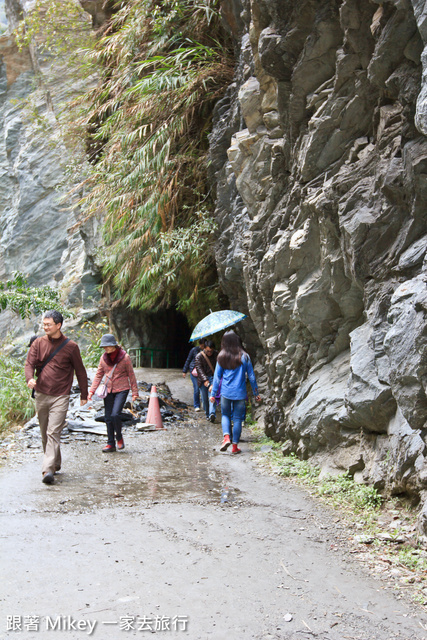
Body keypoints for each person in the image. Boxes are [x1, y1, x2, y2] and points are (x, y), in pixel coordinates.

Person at [25, 310, 88, 485]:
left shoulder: (71, 347)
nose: (45, 327)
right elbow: (29, 363)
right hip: (42, 394)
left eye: (48, 324)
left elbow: (81, 371)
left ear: (58, 325)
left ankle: (47, 469)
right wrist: (30, 378)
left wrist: (84, 394)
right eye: (43, 324)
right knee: (45, 432)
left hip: (61, 395)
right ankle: (55, 463)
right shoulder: (37, 343)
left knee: (53, 431)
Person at [210, 330, 261, 454]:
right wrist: (256, 393)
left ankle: (226, 437)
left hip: (225, 393)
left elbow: (217, 378)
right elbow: (252, 376)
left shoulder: (221, 356)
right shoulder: (245, 356)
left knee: (225, 415)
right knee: (237, 419)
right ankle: (234, 447)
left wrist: (213, 394)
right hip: (240, 393)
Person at [88, 334, 139, 452]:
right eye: (104, 347)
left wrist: (135, 392)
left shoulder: (125, 357)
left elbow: (131, 375)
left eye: (107, 346)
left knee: (115, 414)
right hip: (108, 390)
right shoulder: (103, 358)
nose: (105, 348)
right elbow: (98, 375)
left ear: (114, 345)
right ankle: (110, 444)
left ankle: (119, 437)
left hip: (122, 389)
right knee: (108, 417)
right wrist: (91, 391)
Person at [195, 340, 218, 422]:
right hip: (203, 380)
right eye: (208, 351)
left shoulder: (216, 354)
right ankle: (207, 414)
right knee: (205, 399)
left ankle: (212, 413)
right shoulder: (199, 356)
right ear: (204, 348)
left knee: (212, 396)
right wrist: (205, 380)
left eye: (211, 351)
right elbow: (199, 369)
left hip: (213, 378)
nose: (209, 353)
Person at [182, 339, 205, 412]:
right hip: (194, 372)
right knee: (196, 389)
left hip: (203, 373)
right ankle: (196, 405)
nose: (203, 347)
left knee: (203, 389)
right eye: (202, 345)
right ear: (200, 344)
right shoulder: (194, 350)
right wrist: (184, 371)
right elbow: (188, 360)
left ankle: (204, 404)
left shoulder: (208, 351)